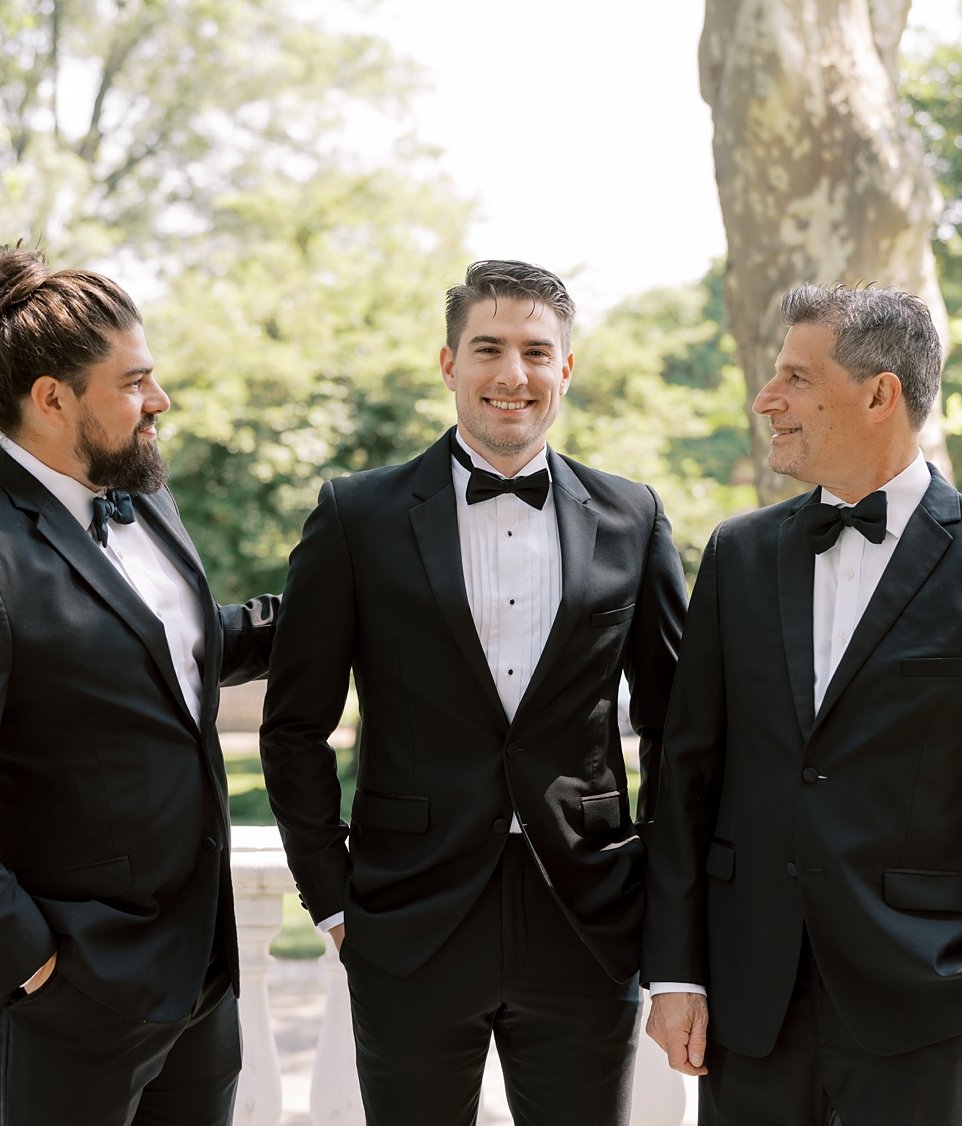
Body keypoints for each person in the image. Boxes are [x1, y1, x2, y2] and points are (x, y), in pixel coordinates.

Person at [642, 283, 962, 1124]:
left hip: (928, 1006)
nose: (765, 398)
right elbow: (685, 775)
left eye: (795, 378)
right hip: (750, 1007)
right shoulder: (738, 555)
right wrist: (676, 972)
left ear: (879, 393)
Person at [0, 243, 278, 1126]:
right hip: (64, 1000)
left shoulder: (147, 501)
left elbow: (171, 653)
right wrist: (28, 966)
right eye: (134, 383)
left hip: (196, 977)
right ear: (52, 399)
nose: (159, 401)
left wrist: (351, 598)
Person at [260, 259, 687, 1125]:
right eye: (487, 348)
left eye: (536, 351)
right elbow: (295, 725)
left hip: (588, 918)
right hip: (408, 919)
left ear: (565, 368)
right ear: (448, 363)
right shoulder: (356, 516)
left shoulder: (632, 516)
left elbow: (681, 729)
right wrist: (335, 904)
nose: (512, 375)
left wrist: (665, 913)